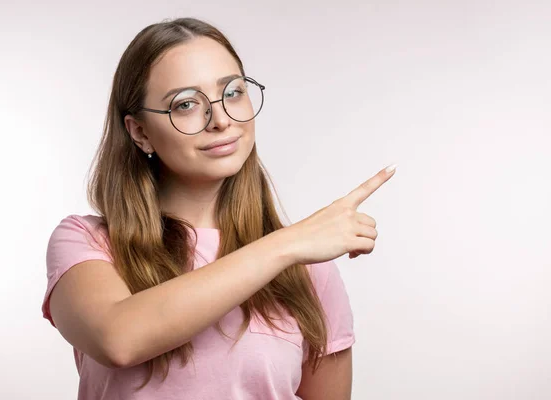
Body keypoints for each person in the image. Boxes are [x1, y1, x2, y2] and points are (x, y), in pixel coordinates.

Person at [42, 17, 397, 400]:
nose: (223, 120)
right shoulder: (86, 243)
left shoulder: (308, 266)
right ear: (139, 131)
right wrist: (285, 245)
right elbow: (117, 339)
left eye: (233, 92)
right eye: (186, 104)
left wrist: (293, 250)